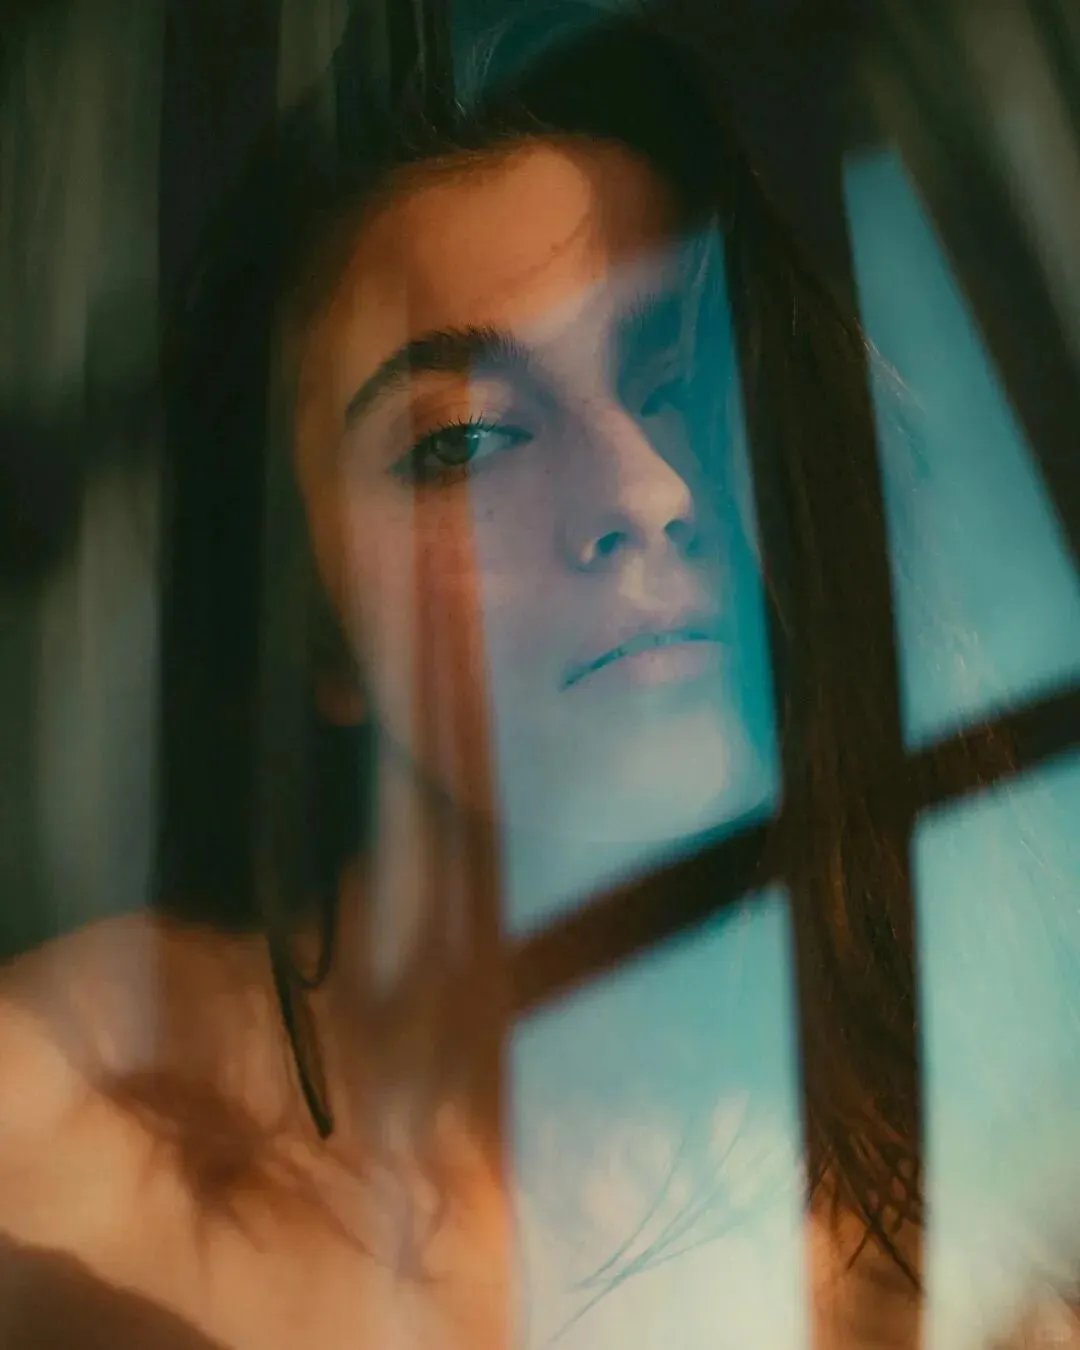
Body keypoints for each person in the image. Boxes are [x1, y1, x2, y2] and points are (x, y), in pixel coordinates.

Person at [0, 3, 1072, 1346]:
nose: (644, 487)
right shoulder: (57, 1156)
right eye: (460, 443)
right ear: (311, 627)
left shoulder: (1006, 1187)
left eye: (675, 377)